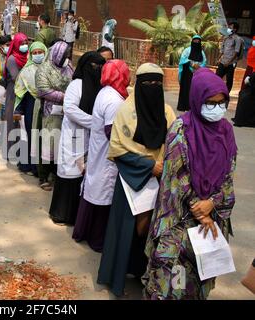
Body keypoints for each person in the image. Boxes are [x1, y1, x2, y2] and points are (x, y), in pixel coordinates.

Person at [143, 68, 237, 300]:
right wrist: (200, 208)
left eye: (221, 103)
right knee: (174, 285)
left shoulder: (226, 131)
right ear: (197, 100)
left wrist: (212, 203)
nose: (217, 108)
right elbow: (176, 178)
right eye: (210, 102)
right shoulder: (181, 129)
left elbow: (228, 174)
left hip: (209, 223)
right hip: (179, 224)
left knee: (197, 283)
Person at [97, 63, 177, 297]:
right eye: (147, 83)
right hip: (131, 181)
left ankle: (147, 276)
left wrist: (163, 166)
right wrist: (149, 165)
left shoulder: (167, 112)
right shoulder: (126, 111)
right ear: (138, 84)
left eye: (157, 83)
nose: (152, 87)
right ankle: (118, 277)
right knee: (126, 230)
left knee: (152, 230)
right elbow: (117, 148)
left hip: (161, 178)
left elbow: (176, 143)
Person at [73, 59, 130, 251]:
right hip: (107, 153)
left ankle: (85, 232)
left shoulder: (106, 92)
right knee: (102, 195)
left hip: (100, 150)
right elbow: (111, 131)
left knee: (93, 190)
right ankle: (98, 240)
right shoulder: (113, 99)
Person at [49, 52, 107, 225]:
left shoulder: (100, 87)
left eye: (100, 67)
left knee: (84, 174)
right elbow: (70, 109)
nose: (97, 70)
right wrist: (94, 122)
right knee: (69, 173)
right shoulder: (77, 84)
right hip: (74, 134)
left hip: (90, 138)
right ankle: (61, 213)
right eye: (94, 66)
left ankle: (78, 217)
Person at [35, 41, 74, 191]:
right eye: (64, 55)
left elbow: (74, 81)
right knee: (47, 143)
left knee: (60, 143)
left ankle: (55, 173)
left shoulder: (68, 66)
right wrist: (65, 96)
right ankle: (43, 176)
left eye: (67, 55)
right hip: (49, 112)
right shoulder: (44, 69)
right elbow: (43, 90)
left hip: (65, 112)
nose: (66, 57)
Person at [14, 41, 49, 175]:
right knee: (29, 135)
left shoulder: (50, 70)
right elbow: (20, 93)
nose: (38, 55)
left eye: (40, 52)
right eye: (35, 53)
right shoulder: (26, 71)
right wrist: (18, 110)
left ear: (45, 53)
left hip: (47, 107)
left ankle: (42, 170)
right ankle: (28, 165)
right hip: (30, 106)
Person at [2, 33, 29, 160]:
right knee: (12, 120)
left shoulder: (27, 57)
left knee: (22, 123)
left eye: (26, 43)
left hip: (25, 92)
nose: (24, 46)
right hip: (13, 92)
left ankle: (21, 153)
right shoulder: (12, 59)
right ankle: (11, 151)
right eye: (21, 44)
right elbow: (16, 77)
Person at [177, 35, 207, 111]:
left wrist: (199, 67)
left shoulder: (202, 52)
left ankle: (193, 106)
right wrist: (192, 64)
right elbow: (182, 60)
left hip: (197, 73)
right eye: (195, 40)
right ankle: (183, 106)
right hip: (187, 73)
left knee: (195, 90)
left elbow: (204, 62)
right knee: (186, 89)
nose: (196, 42)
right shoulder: (187, 50)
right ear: (192, 41)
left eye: (198, 41)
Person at [216, 22, 243, 93]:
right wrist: (218, 58)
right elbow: (222, 50)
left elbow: (236, 52)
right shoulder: (226, 37)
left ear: (235, 29)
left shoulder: (238, 39)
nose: (229, 29)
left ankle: (227, 93)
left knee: (229, 79)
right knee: (217, 77)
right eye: (229, 27)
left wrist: (229, 62)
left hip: (231, 63)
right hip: (223, 61)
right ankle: (215, 91)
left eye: (231, 27)